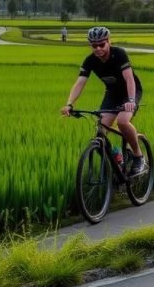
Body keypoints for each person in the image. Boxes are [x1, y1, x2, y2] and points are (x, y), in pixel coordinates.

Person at [61, 26, 147, 176]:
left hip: (130, 92)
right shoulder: (90, 61)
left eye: (102, 44)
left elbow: (129, 79)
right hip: (112, 93)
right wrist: (69, 104)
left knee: (122, 121)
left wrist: (132, 100)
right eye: (94, 45)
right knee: (100, 132)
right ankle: (117, 157)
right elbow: (80, 82)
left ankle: (139, 157)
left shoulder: (119, 54)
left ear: (109, 42)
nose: (98, 48)